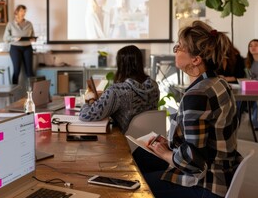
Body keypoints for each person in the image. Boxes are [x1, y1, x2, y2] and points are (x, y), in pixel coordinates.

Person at [133, 21, 242, 198]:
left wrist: (166, 153)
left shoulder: (197, 95)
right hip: (224, 172)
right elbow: (206, 139)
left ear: (196, 59)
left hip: (205, 184)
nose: (175, 50)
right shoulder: (220, 83)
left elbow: (194, 162)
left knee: (135, 185)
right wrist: (169, 145)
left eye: (179, 47)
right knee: (142, 157)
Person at [79, 45, 160, 133]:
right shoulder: (154, 86)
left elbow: (86, 116)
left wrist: (91, 99)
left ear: (120, 66)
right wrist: (105, 96)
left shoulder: (116, 92)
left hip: (126, 143)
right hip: (151, 141)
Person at [3, 4, 36, 85]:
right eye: (21, 11)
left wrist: (33, 39)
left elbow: (33, 36)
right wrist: (14, 38)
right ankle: (13, 93)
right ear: (16, 12)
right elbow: (5, 38)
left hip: (27, 48)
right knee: (16, 71)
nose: (23, 13)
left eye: (24, 11)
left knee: (29, 72)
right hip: (15, 48)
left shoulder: (29, 24)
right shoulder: (10, 24)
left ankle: (33, 93)